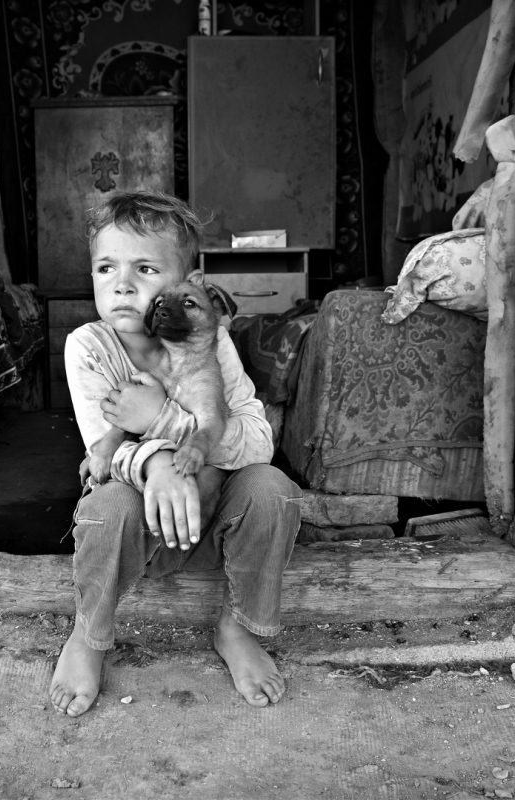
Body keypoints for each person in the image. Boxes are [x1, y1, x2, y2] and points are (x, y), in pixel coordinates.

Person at [48, 190, 302, 717]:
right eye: (106, 268)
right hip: (141, 535)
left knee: (272, 488)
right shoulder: (88, 347)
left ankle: (238, 628)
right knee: (104, 505)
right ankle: (88, 634)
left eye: (145, 269)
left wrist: (160, 421)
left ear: (188, 283)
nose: (122, 284)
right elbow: (101, 456)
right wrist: (157, 462)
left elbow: (259, 441)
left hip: (214, 526)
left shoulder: (210, 340)